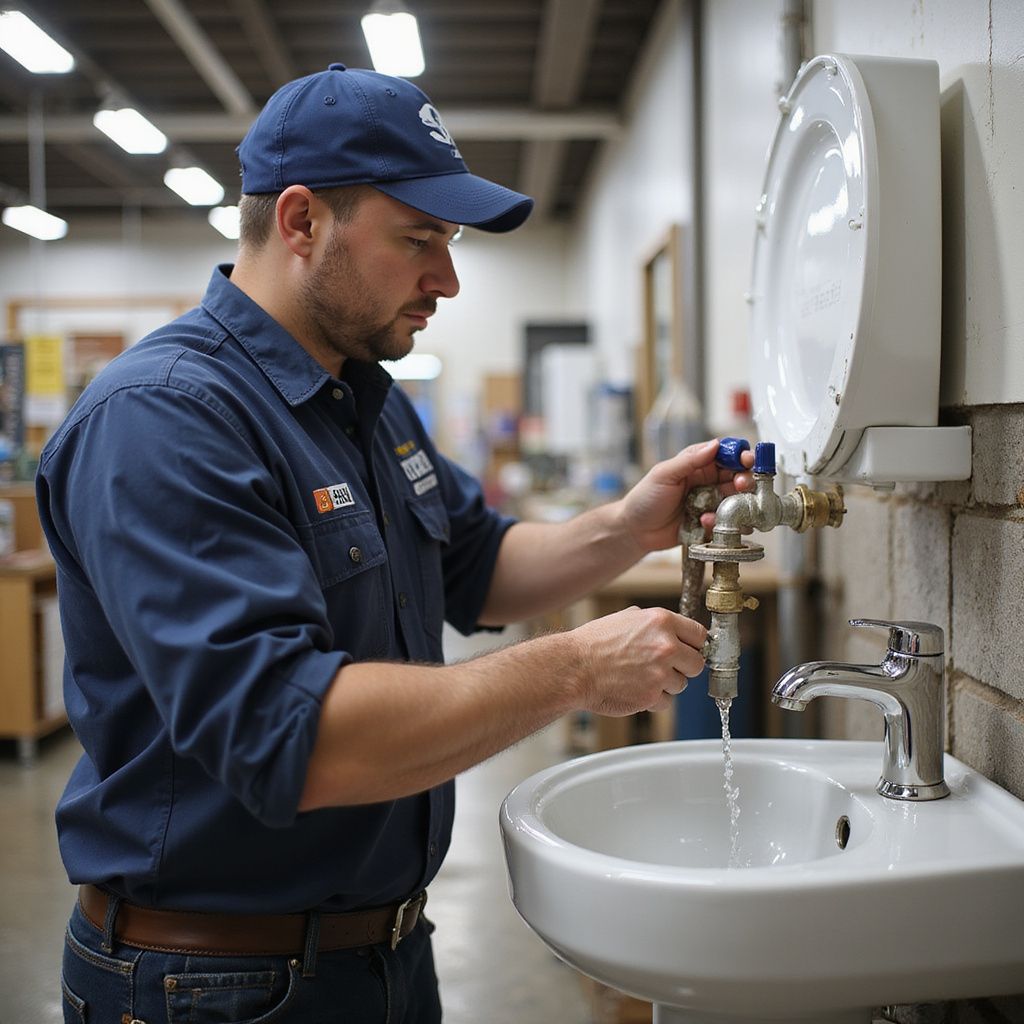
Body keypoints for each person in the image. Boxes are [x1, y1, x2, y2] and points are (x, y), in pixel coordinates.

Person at [37, 64, 753, 1024]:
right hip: (214, 983)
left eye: (449, 244)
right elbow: (296, 736)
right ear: (300, 222)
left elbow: (477, 563)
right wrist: (574, 670)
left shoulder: (364, 399)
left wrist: (629, 525)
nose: (446, 281)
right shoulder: (165, 419)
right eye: (418, 240)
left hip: (379, 957)